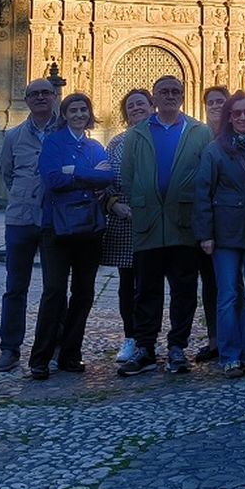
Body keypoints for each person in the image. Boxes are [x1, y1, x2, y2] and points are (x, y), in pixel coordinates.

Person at [116, 75, 213, 377]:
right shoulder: (136, 134)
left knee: (183, 288)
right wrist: (141, 202)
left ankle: (177, 347)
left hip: (183, 223)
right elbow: (128, 177)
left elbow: (207, 176)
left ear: (183, 96)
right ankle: (145, 347)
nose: (170, 96)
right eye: (164, 92)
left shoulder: (200, 132)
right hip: (148, 224)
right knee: (146, 290)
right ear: (154, 98)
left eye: (176, 91)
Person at [194, 90, 245, 377]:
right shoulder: (214, 151)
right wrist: (205, 234)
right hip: (226, 232)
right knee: (228, 295)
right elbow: (203, 193)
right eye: (237, 113)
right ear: (229, 118)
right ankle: (229, 356)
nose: (243, 117)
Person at [30, 92, 114, 379]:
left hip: (89, 229)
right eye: (73, 110)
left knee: (84, 292)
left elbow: (108, 177)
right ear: (64, 114)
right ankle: (40, 357)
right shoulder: (54, 142)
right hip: (56, 227)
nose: (79, 114)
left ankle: (71, 354)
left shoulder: (95, 145)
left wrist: (73, 171)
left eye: (83, 109)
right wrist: (87, 175)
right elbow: (52, 179)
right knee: (53, 291)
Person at [0, 78, 63, 374]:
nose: (41, 98)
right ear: (27, 100)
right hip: (20, 219)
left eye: (46, 93)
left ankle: (55, 346)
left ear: (55, 97)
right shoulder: (13, 136)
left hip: (56, 220)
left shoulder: (66, 132)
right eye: (34, 94)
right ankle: (10, 349)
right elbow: (7, 175)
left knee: (55, 288)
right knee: (15, 287)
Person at [105, 88, 152, 364]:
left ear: (152, 107)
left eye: (141, 104)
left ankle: (152, 340)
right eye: (131, 105)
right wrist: (113, 204)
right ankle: (131, 336)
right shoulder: (117, 143)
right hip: (125, 221)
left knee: (152, 283)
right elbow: (106, 176)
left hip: (157, 221)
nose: (136, 108)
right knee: (127, 283)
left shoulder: (164, 137)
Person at [192, 86, 229, 363]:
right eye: (211, 102)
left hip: (233, 222)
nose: (215, 106)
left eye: (221, 102)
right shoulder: (195, 137)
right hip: (204, 221)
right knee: (210, 283)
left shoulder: (239, 136)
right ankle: (215, 339)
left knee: (233, 285)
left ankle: (234, 338)